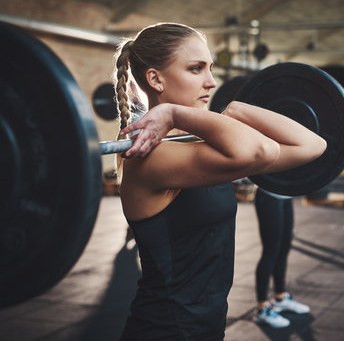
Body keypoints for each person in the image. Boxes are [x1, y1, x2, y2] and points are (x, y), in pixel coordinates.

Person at [112, 22, 327, 341]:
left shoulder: (195, 148)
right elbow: (262, 149)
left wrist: (238, 110)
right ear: (155, 78)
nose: (211, 82)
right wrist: (175, 113)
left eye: (210, 69)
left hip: (205, 327)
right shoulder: (152, 158)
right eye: (196, 69)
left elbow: (313, 145)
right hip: (166, 330)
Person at [253, 188, 310, 328]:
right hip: (268, 195)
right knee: (270, 251)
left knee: (284, 248)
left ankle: (280, 297)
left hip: (286, 194)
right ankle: (262, 308)